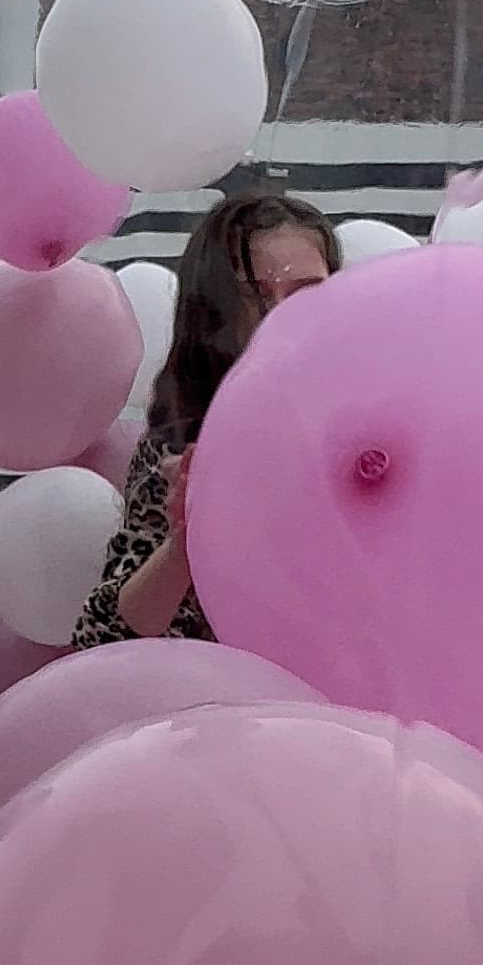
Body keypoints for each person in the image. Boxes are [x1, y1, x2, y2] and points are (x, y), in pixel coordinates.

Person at [74, 189, 340, 646]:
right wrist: (183, 548)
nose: (279, 316)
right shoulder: (180, 450)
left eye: (305, 292)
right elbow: (104, 641)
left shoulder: (377, 432)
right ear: (214, 313)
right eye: (253, 297)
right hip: (236, 706)